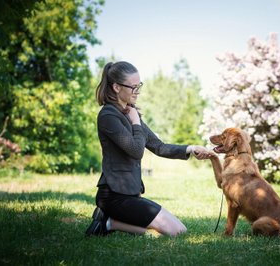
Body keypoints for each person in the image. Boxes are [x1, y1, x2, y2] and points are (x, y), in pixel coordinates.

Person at [85, 61, 212, 237]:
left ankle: (110, 221)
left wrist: (190, 148)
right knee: (176, 232)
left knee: (180, 230)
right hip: (114, 196)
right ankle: (109, 222)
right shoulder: (108, 116)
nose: (137, 92)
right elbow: (136, 150)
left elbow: (159, 146)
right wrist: (136, 122)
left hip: (131, 195)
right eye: (133, 87)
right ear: (116, 87)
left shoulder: (129, 113)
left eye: (139, 86)